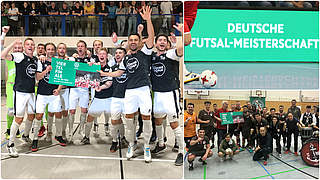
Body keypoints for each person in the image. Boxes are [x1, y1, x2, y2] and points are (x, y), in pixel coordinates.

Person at [99, 6, 154, 163]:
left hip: (143, 90)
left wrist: (148, 19)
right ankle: (131, 144)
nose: (133, 42)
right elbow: (119, 73)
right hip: (129, 92)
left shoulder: (145, 53)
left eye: (136, 39)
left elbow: (151, 37)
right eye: (131, 40)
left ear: (139, 41)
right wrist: (105, 74)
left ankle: (147, 147)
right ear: (128, 43)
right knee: (129, 120)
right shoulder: (125, 58)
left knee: (146, 118)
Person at [149, 24, 183, 166]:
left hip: (170, 93)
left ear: (167, 44)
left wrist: (181, 36)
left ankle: (181, 151)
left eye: (164, 40)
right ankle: (161, 143)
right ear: (156, 43)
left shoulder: (170, 54)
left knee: (173, 123)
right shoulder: (151, 57)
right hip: (157, 94)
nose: (162, 42)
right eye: (159, 40)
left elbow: (180, 51)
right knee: (157, 120)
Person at [1, 38, 38, 157]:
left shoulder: (35, 59)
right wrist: (13, 43)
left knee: (32, 115)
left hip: (31, 92)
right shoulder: (20, 56)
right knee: (19, 118)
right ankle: (10, 144)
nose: (30, 46)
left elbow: (36, 76)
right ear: (24, 46)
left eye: (32, 44)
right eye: (28, 44)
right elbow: (2, 55)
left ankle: (26, 135)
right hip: (21, 92)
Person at [33, 43, 66, 151]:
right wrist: (46, 70)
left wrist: (59, 89)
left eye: (52, 49)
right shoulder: (40, 61)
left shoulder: (59, 62)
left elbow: (62, 78)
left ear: (55, 51)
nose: (50, 51)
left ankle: (58, 135)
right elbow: (38, 77)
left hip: (54, 94)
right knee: (39, 116)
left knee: (58, 114)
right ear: (45, 51)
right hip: (42, 94)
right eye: (48, 49)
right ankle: (35, 139)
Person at [81, 47, 113, 145]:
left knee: (116, 118)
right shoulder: (94, 67)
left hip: (109, 98)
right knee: (90, 117)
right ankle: (86, 137)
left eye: (104, 54)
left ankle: (121, 138)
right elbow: (83, 75)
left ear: (107, 56)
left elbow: (109, 83)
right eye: (100, 54)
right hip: (98, 98)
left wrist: (101, 87)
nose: (102, 56)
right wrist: (88, 66)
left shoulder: (110, 67)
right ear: (97, 56)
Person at [68, 40, 93, 142]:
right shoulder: (72, 59)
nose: (80, 48)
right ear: (77, 48)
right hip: (74, 89)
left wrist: (93, 65)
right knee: (72, 111)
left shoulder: (90, 60)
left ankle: (81, 130)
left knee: (84, 111)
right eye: (78, 46)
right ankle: (70, 131)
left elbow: (95, 72)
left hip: (84, 89)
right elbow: (64, 65)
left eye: (82, 46)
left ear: (85, 48)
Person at [2, 27, 22, 140]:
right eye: (16, 47)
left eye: (20, 47)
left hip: (21, 87)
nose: (18, 49)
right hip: (11, 86)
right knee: (10, 110)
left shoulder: (24, 57)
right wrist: (4, 34)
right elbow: (1, 47)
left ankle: (16, 128)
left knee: (19, 111)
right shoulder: (9, 58)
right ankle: (9, 130)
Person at [109, 48, 129, 152]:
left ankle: (129, 140)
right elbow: (109, 82)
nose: (117, 54)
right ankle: (114, 141)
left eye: (120, 53)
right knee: (114, 120)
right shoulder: (112, 68)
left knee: (129, 121)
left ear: (125, 55)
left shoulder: (130, 67)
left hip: (128, 98)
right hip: (116, 97)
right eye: (116, 53)